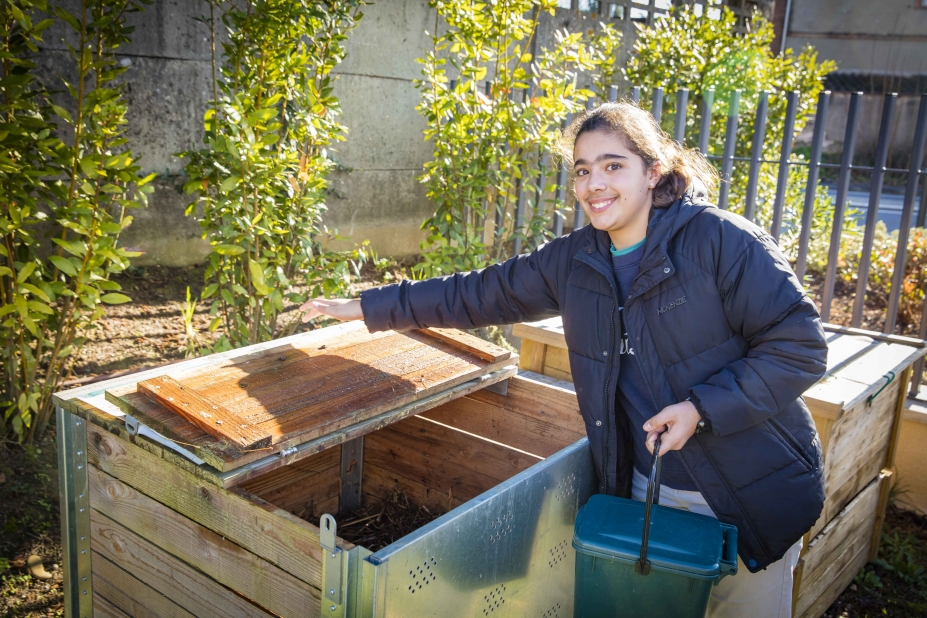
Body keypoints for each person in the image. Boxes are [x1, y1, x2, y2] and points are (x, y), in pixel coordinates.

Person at [300, 102, 828, 618]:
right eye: (583, 170)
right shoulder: (576, 260)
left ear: (654, 171)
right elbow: (475, 293)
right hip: (646, 496)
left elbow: (800, 346)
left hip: (748, 497)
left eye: (613, 165)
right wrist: (364, 307)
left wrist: (700, 408)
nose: (595, 184)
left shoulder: (720, 240)